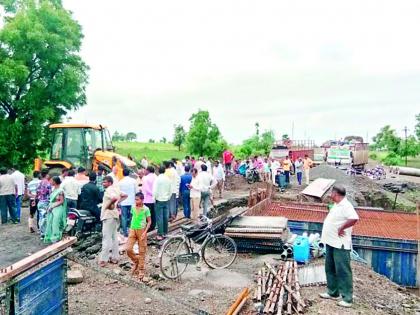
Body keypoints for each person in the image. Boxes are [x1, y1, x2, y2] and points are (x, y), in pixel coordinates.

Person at [320, 185, 359, 308]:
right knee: (330, 267)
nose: (330, 195)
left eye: (332, 193)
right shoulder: (337, 204)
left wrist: (342, 228)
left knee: (343, 270)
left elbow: (354, 218)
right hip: (330, 241)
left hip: (340, 243)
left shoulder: (346, 205)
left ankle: (347, 298)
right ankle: (333, 292)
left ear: (336, 194)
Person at [99, 176, 127, 267]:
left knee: (106, 237)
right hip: (115, 215)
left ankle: (103, 260)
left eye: (105, 182)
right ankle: (115, 257)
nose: (103, 183)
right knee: (114, 237)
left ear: (110, 183)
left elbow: (114, 198)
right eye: (103, 182)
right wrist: (116, 203)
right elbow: (124, 195)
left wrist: (109, 205)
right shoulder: (116, 188)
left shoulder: (109, 190)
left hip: (108, 216)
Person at [126, 192, 151, 281]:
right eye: (135, 199)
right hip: (133, 229)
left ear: (142, 200)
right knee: (128, 249)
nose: (136, 201)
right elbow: (133, 217)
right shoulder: (133, 207)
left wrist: (145, 232)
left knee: (142, 250)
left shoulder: (146, 209)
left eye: (138, 199)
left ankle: (141, 269)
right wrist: (130, 228)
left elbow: (149, 221)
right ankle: (136, 261)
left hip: (142, 230)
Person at [44, 176, 67, 244]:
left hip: (58, 209)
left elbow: (61, 201)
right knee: (50, 223)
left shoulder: (60, 191)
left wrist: (52, 206)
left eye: (51, 181)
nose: (50, 182)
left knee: (56, 223)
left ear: (54, 181)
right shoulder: (53, 189)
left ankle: (56, 238)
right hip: (52, 208)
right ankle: (51, 237)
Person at [153, 166, 172, 241]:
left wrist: (154, 199)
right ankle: (165, 232)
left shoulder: (157, 179)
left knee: (159, 217)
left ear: (158, 171)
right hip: (166, 199)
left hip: (159, 199)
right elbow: (170, 190)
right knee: (165, 217)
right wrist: (168, 197)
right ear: (164, 171)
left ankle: (160, 233)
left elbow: (155, 190)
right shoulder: (168, 179)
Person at [118, 168, 137, 238]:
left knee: (124, 217)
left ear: (123, 173)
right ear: (129, 173)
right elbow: (136, 191)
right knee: (132, 217)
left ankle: (125, 232)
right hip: (132, 201)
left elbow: (119, 193)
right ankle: (131, 231)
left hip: (123, 202)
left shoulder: (120, 182)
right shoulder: (133, 181)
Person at [37, 169, 51, 237]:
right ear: (46, 175)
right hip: (45, 202)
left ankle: (41, 232)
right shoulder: (48, 183)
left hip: (40, 201)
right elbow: (50, 193)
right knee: (45, 218)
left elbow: (37, 192)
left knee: (41, 217)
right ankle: (44, 233)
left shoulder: (39, 183)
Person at [142, 166, 157, 232]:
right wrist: (155, 194)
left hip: (147, 199)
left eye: (145, 170)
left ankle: (147, 228)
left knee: (147, 215)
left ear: (148, 170)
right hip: (154, 199)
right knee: (153, 214)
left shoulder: (145, 178)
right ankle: (153, 226)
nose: (144, 171)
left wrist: (152, 193)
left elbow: (147, 189)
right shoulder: (156, 177)